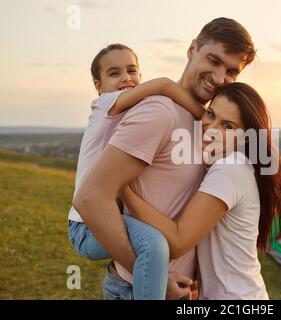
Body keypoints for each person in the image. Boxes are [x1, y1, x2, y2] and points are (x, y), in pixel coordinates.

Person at [72, 17, 256, 300]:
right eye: (213, 60)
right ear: (192, 49)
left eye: (231, 71)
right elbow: (91, 198)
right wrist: (152, 276)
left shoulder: (205, 124)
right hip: (141, 289)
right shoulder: (159, 112)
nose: (220, 78)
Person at [121, 82, 281, 299]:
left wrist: (123, 190)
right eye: (211, 114)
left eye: (227, 126)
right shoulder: (232, 164)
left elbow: (179, 240)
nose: (211, 129)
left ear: (246, 137)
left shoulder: (230, 169)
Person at [68, 43, 204, 299]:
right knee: (153, 245)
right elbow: (164, 84)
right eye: (114, 73)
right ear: (98, 86)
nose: (126, 78)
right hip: (84, 227)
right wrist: (203, 116)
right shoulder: (104, 105)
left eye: (132, 70)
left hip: (98, 219)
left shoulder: (137, 112)